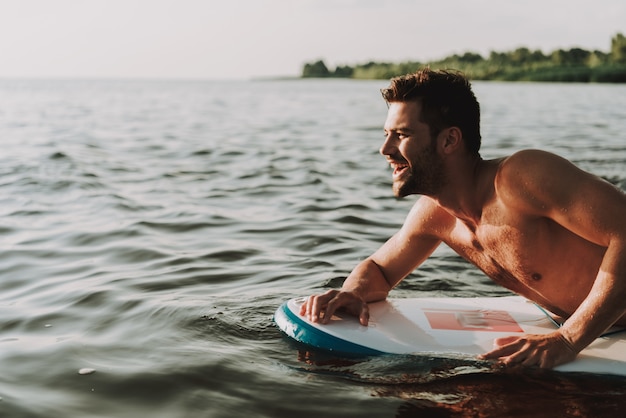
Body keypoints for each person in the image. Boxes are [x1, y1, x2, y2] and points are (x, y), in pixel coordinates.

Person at [300, 68, 626, 369]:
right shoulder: (435, 214)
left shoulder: (521, 178)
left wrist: (568, 340)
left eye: (401, 134)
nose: (385, 149)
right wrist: (353, 292)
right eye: (387, 134)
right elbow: (380, 270)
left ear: (449, 140)